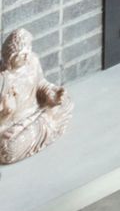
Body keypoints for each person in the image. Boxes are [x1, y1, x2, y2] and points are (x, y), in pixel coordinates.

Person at [0, 27, 71, 165]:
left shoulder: (32, 61)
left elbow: (41, 84)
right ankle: (50, 122)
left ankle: (46, 121)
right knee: (7, 150)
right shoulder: (3, 79)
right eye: (22, 54)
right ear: (11, 57)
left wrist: (52, 95)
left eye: (29, 50)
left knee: (66, 102)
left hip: (36, 112)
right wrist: (7, 112)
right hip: (14, 126)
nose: (27, 57)